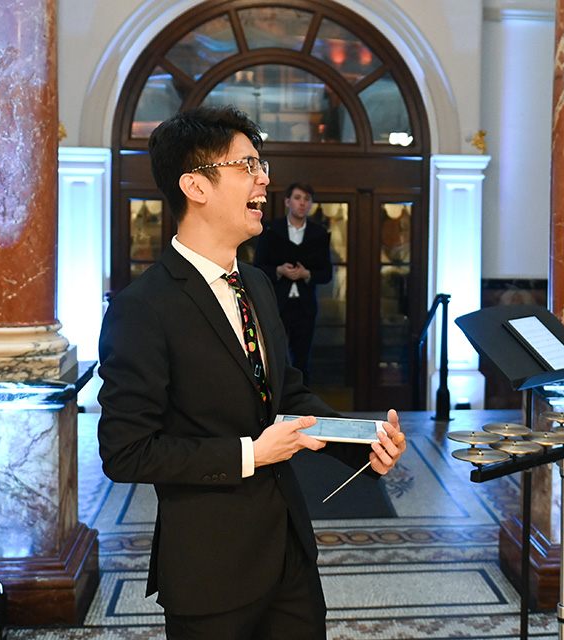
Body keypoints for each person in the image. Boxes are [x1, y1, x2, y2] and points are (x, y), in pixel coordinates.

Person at [97, 105, 406, 640]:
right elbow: (125, 451)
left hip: (289, 555)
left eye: (261, 164)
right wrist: (251, 453)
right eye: (247, 166)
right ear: (195, 185)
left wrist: (363, 443)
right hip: (210, 572)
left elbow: (286, 392)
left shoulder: (257, 285)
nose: (265, 178)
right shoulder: (142, 308)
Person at [253, 183, 332, 385]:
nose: (302, 203)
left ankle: (302, 408)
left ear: (311, 204)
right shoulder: (271, 229)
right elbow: (258, 267)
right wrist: (279, 271)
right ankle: (275, 405)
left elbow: (326, 274)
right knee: (274, 358)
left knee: (302, 361)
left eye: (306, 199)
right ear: (288, 202)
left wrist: (306, 274)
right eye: (297, 198)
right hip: (278, 304)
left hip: (304, 306)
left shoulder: (319, 232)